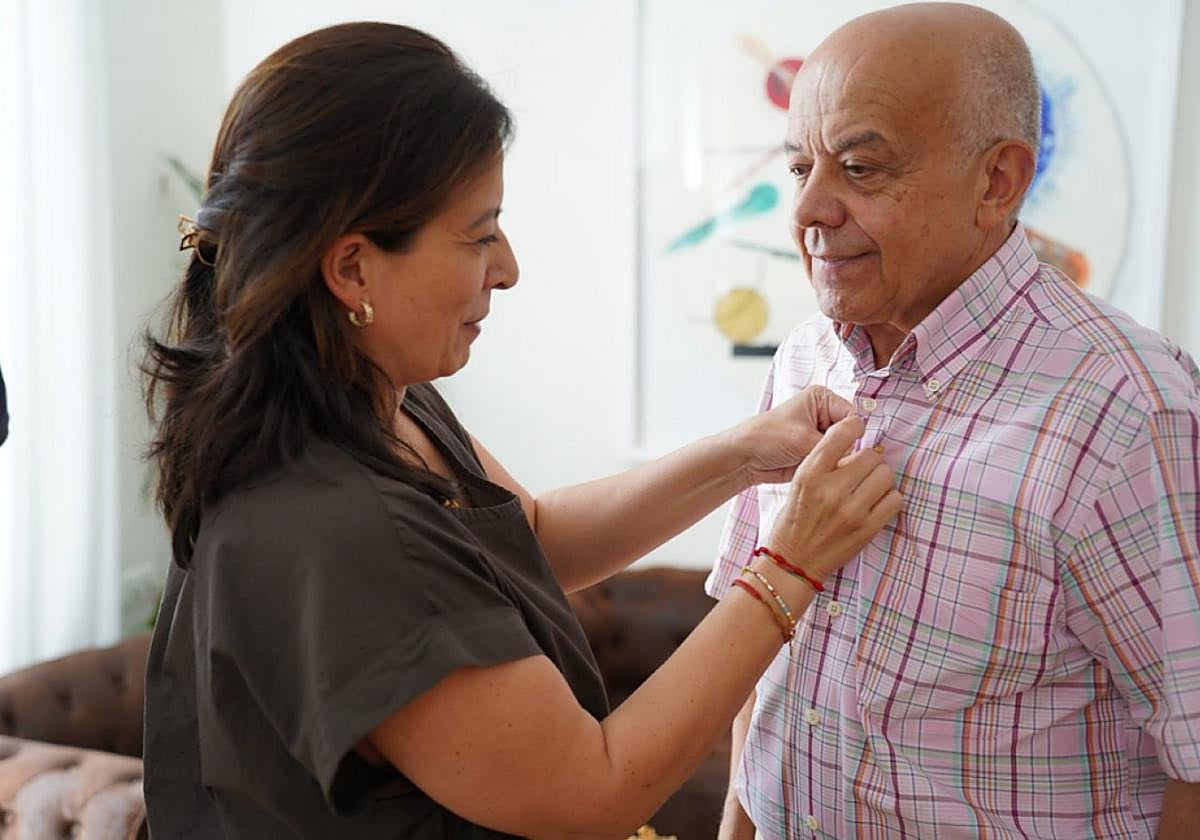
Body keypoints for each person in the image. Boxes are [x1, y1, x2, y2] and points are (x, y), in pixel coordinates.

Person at [140, 22, 902, 839]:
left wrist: (742, 455)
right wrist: (790, 565)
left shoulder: (379, 402)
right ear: (353, 268)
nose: (506, 269)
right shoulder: (333, 530)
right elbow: (593, 791)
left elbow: (529, 538)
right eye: (479, 235)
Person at [710, 4, 1200, 838]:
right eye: (800, 168)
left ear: (998, 181)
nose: (809, 209)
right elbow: (755, 649)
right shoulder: (804, 357)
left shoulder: (1128, 409)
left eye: (860, 168)